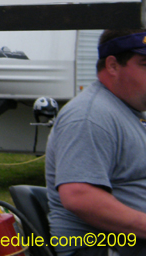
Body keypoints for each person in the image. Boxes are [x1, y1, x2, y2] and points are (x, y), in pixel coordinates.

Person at [45, 29, 146, 256]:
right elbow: (79, 196)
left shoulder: (127, 111)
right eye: (145, 64)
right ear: (112, 66)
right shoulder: (90, 116)